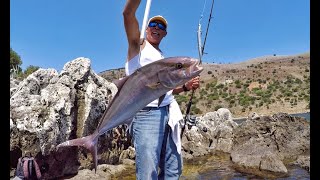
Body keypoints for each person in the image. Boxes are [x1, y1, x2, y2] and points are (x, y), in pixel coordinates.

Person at [123, 0, 200, 179]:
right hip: (146, 113)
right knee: (148, 172)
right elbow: (128, 14)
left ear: (165, 33)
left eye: (161, 26)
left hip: (169, 112)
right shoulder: (137, 47)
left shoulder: (161, 57)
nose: (156, 27)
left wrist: (185, 88)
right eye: (153, 24)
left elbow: (161, 89)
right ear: (147, 28)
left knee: (173, 169)